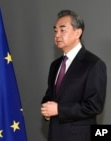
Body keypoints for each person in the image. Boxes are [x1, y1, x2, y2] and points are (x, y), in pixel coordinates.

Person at [40, 9, 107, 141]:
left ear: (77, 32)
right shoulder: (55, 65)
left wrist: (59, 109)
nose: (57, 35)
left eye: (62, 30)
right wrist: (46, 110)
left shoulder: (94, 64)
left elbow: (94, 106)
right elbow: (50, 96)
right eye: (55, 30)